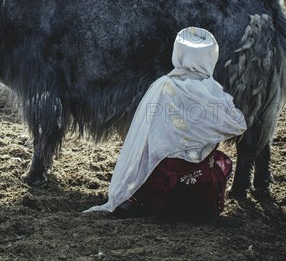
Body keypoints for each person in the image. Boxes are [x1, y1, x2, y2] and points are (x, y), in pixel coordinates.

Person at [84, 27, 246, 221]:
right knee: (220, 161)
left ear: (178, 53)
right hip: (201, 196)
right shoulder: (215, 94)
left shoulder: (163, 87)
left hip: (163, 190)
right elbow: (237, 124)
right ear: (211, 56)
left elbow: (146, 139)